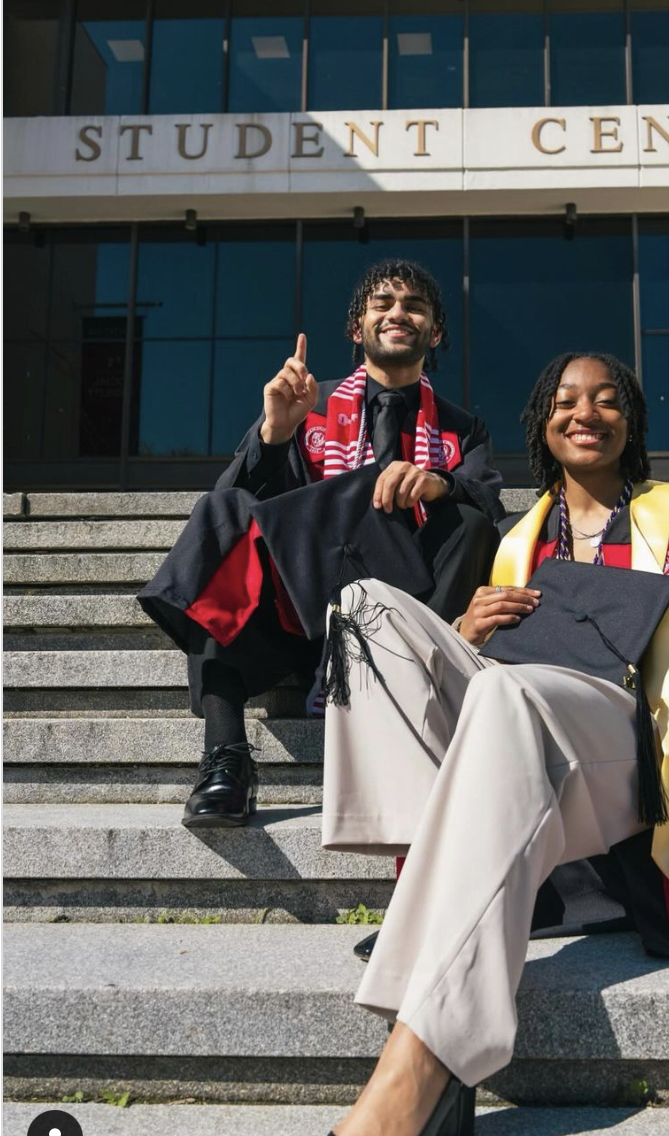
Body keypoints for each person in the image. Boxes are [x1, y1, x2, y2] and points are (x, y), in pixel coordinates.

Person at [290, 352, 669, 1136]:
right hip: (520, 759)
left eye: (608, 401)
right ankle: (428, 884)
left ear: (629, 425)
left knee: (509, 698)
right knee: (365, 612)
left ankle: (416, 1072)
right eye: (566, 401)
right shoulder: (513, 540)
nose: (587, 412)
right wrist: (469, 630)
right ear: (543, 423)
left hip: (638, 765)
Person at [137, 260, 504, 831]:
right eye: (382, 303)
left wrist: (440, 481)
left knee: (471, 522)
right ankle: (226, 759)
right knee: (226, 517)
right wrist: (275, 433)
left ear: (435, 333)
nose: (398, 313)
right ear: (357, 329)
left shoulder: (460, 430)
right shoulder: (309, 403)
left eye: (414, 306)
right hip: (304, 610)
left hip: (409, 616)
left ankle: (414, 702)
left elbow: (488, 504)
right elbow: (244, 510)